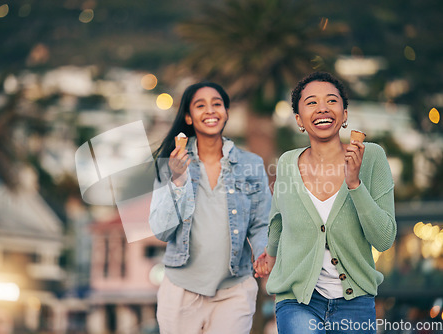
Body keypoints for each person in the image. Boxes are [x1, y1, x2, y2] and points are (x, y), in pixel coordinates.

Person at [254, 72, 397, 334]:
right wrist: (271, 256)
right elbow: (278, 219)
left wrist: (354, 184)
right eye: (311, 102)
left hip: (356, 303)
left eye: (331, 101)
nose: (322, 108)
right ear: (298, 119)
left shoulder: (372, 157)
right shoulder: (287, 162)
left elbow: (384, 238)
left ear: (344, 114)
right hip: (297, 299)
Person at [149, 81, 271, 334]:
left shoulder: (251, 164)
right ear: (188, 117)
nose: (210, 110)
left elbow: (261, 223)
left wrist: (262, 252)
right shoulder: (170, 164)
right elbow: (161, 231)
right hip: (180, 289)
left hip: (234, 289)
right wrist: (178, 181)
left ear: (226, 112)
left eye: (217, 104)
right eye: (200, 105)